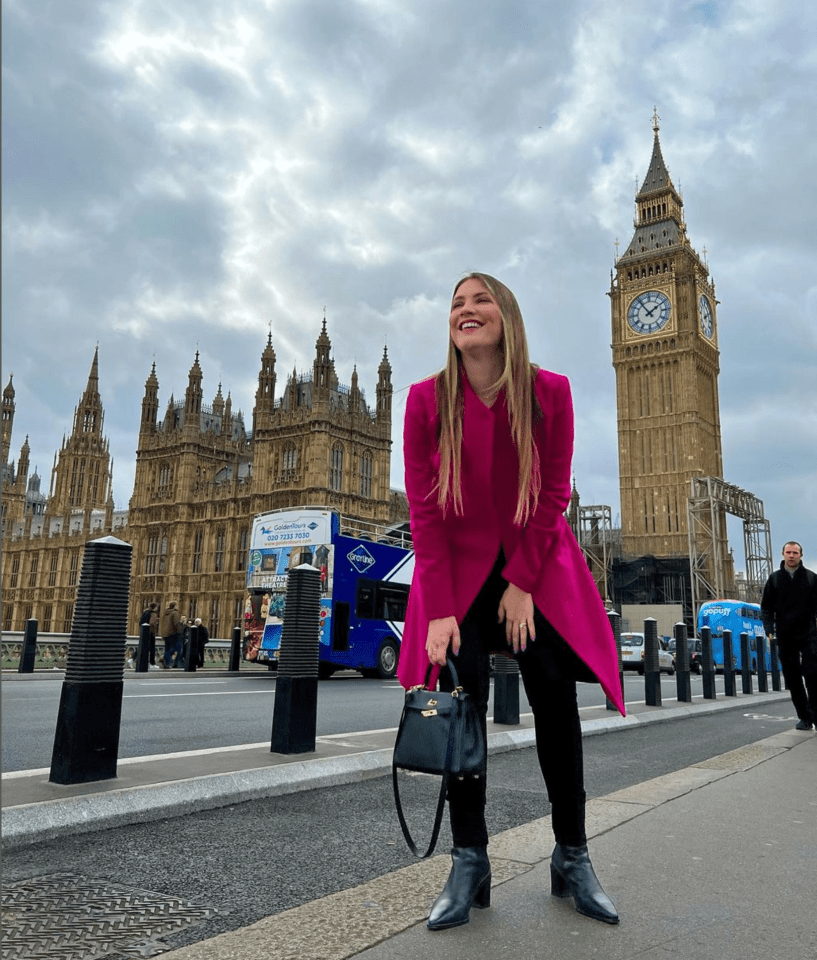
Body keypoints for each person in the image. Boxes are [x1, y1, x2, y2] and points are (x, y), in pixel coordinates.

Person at [399, 273, 625, 930]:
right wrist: (440, 607)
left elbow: (553, 497)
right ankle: (469, 859)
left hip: (535, 566)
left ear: (506, 317)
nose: (465, 311)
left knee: (554, 703)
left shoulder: (548, 392)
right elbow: (425, 512)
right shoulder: (423, 402)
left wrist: (522, 581)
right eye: (456, 304)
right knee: (459, 715)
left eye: (480, 300)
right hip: (458, 576)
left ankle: (572, 854)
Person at [761, 541, 817, 731]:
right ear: (783, 554)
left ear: (801, 555)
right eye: (788, 552)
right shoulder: (775, 579)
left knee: (813, 676)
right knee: (792, 678)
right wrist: (768, 628)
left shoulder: (811, 578)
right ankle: (805, 718)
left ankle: (816, 715)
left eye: (795, 552)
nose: (791, 555)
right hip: (785, 635)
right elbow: (766, 607)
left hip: (809, 634)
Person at [160, 601, 183, 669]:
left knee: (168, 648)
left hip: (165, 634)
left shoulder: (166, 613)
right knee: (179, 649)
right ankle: (174, 663)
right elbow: (176, 624)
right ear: (175, 606)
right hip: (173, 633)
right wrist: (180, 631)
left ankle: (167, 663)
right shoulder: (174, 613)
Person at [138, 602, 159, 666]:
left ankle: (133, 659)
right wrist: (154, 631)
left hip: (143, 632)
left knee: (143, 646)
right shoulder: (153, 613)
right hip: (150, 633)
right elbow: (152, 623)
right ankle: (152, 663)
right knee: (152, 648)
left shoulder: (145, 612)